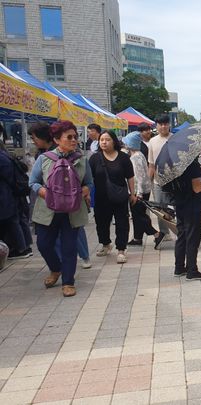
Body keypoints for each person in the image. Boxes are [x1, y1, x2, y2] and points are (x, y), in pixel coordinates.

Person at [29, 120, 93, 297]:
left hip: (72, 211)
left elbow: (89, 182)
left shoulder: (81, 160)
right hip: (48, 210)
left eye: (76, 137)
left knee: (69, 247)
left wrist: (82, 192)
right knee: (43, 244)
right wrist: (45, 193)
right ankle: (56, 269)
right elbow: (33, 182)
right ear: (57, 140)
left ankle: (68, 281)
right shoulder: (44, 159)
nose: (74, 140)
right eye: (69, 137)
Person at [168, 153, 201, 280]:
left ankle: (179, 267)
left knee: (182, 235)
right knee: (192, 237)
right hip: (192, 205)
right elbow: (197, 188)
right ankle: (192, 270)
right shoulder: (192, 166)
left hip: (179, 203)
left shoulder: (176, 164)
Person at [89, 130, 135, 264]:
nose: (104, 142)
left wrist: (133, 193)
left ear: (114, 141)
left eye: (107, 139)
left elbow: (130, 177)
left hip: (120, 197)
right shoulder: (95, 158)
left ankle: (121, 249)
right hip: (101, 197)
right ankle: (105, 244)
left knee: (122, 223)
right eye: (102, 139)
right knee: (101, 223)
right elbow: (88, 178)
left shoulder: (123, 157)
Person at [123, 132, 164, 247]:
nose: (124, 144)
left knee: (139, 215)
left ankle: (156, 234)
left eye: (126, 142)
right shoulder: (138, 154)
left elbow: (139, 176)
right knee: (139, 215)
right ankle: (137, 238)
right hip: (144, 189)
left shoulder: (135, 157)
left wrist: (138, 193)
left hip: (138, 191)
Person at [0, 143, 31, 259]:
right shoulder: (5, 155)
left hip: (6, 194)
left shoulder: (2, 158)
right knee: (17, 219)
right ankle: (24, 247)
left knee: (12, 221)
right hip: (12, 193)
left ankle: (20, 249)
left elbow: (9, 177)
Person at [147, 114, 173, 243]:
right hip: (158, 181)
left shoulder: (175, 138)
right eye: (160, 124)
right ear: (156, 126)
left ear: (169, 124)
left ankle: (179, 229)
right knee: (160, 208)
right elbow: (151, 164)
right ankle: (164, 232)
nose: (163, 126)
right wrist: (149, 181)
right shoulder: (152, 141)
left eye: (165, 123)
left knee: (177, 207)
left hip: (175, 180)